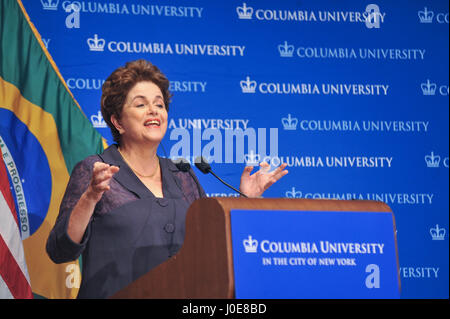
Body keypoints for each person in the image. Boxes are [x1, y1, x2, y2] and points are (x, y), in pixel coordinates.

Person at [46, 59, 288, 298]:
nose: (153, 110)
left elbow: (210, 242)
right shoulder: (95, 170)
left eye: (159, 105)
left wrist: (245, 199)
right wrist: (90, 197)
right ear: (118, 121)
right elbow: (60, 250)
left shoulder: (182, 174)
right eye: (140, 105)